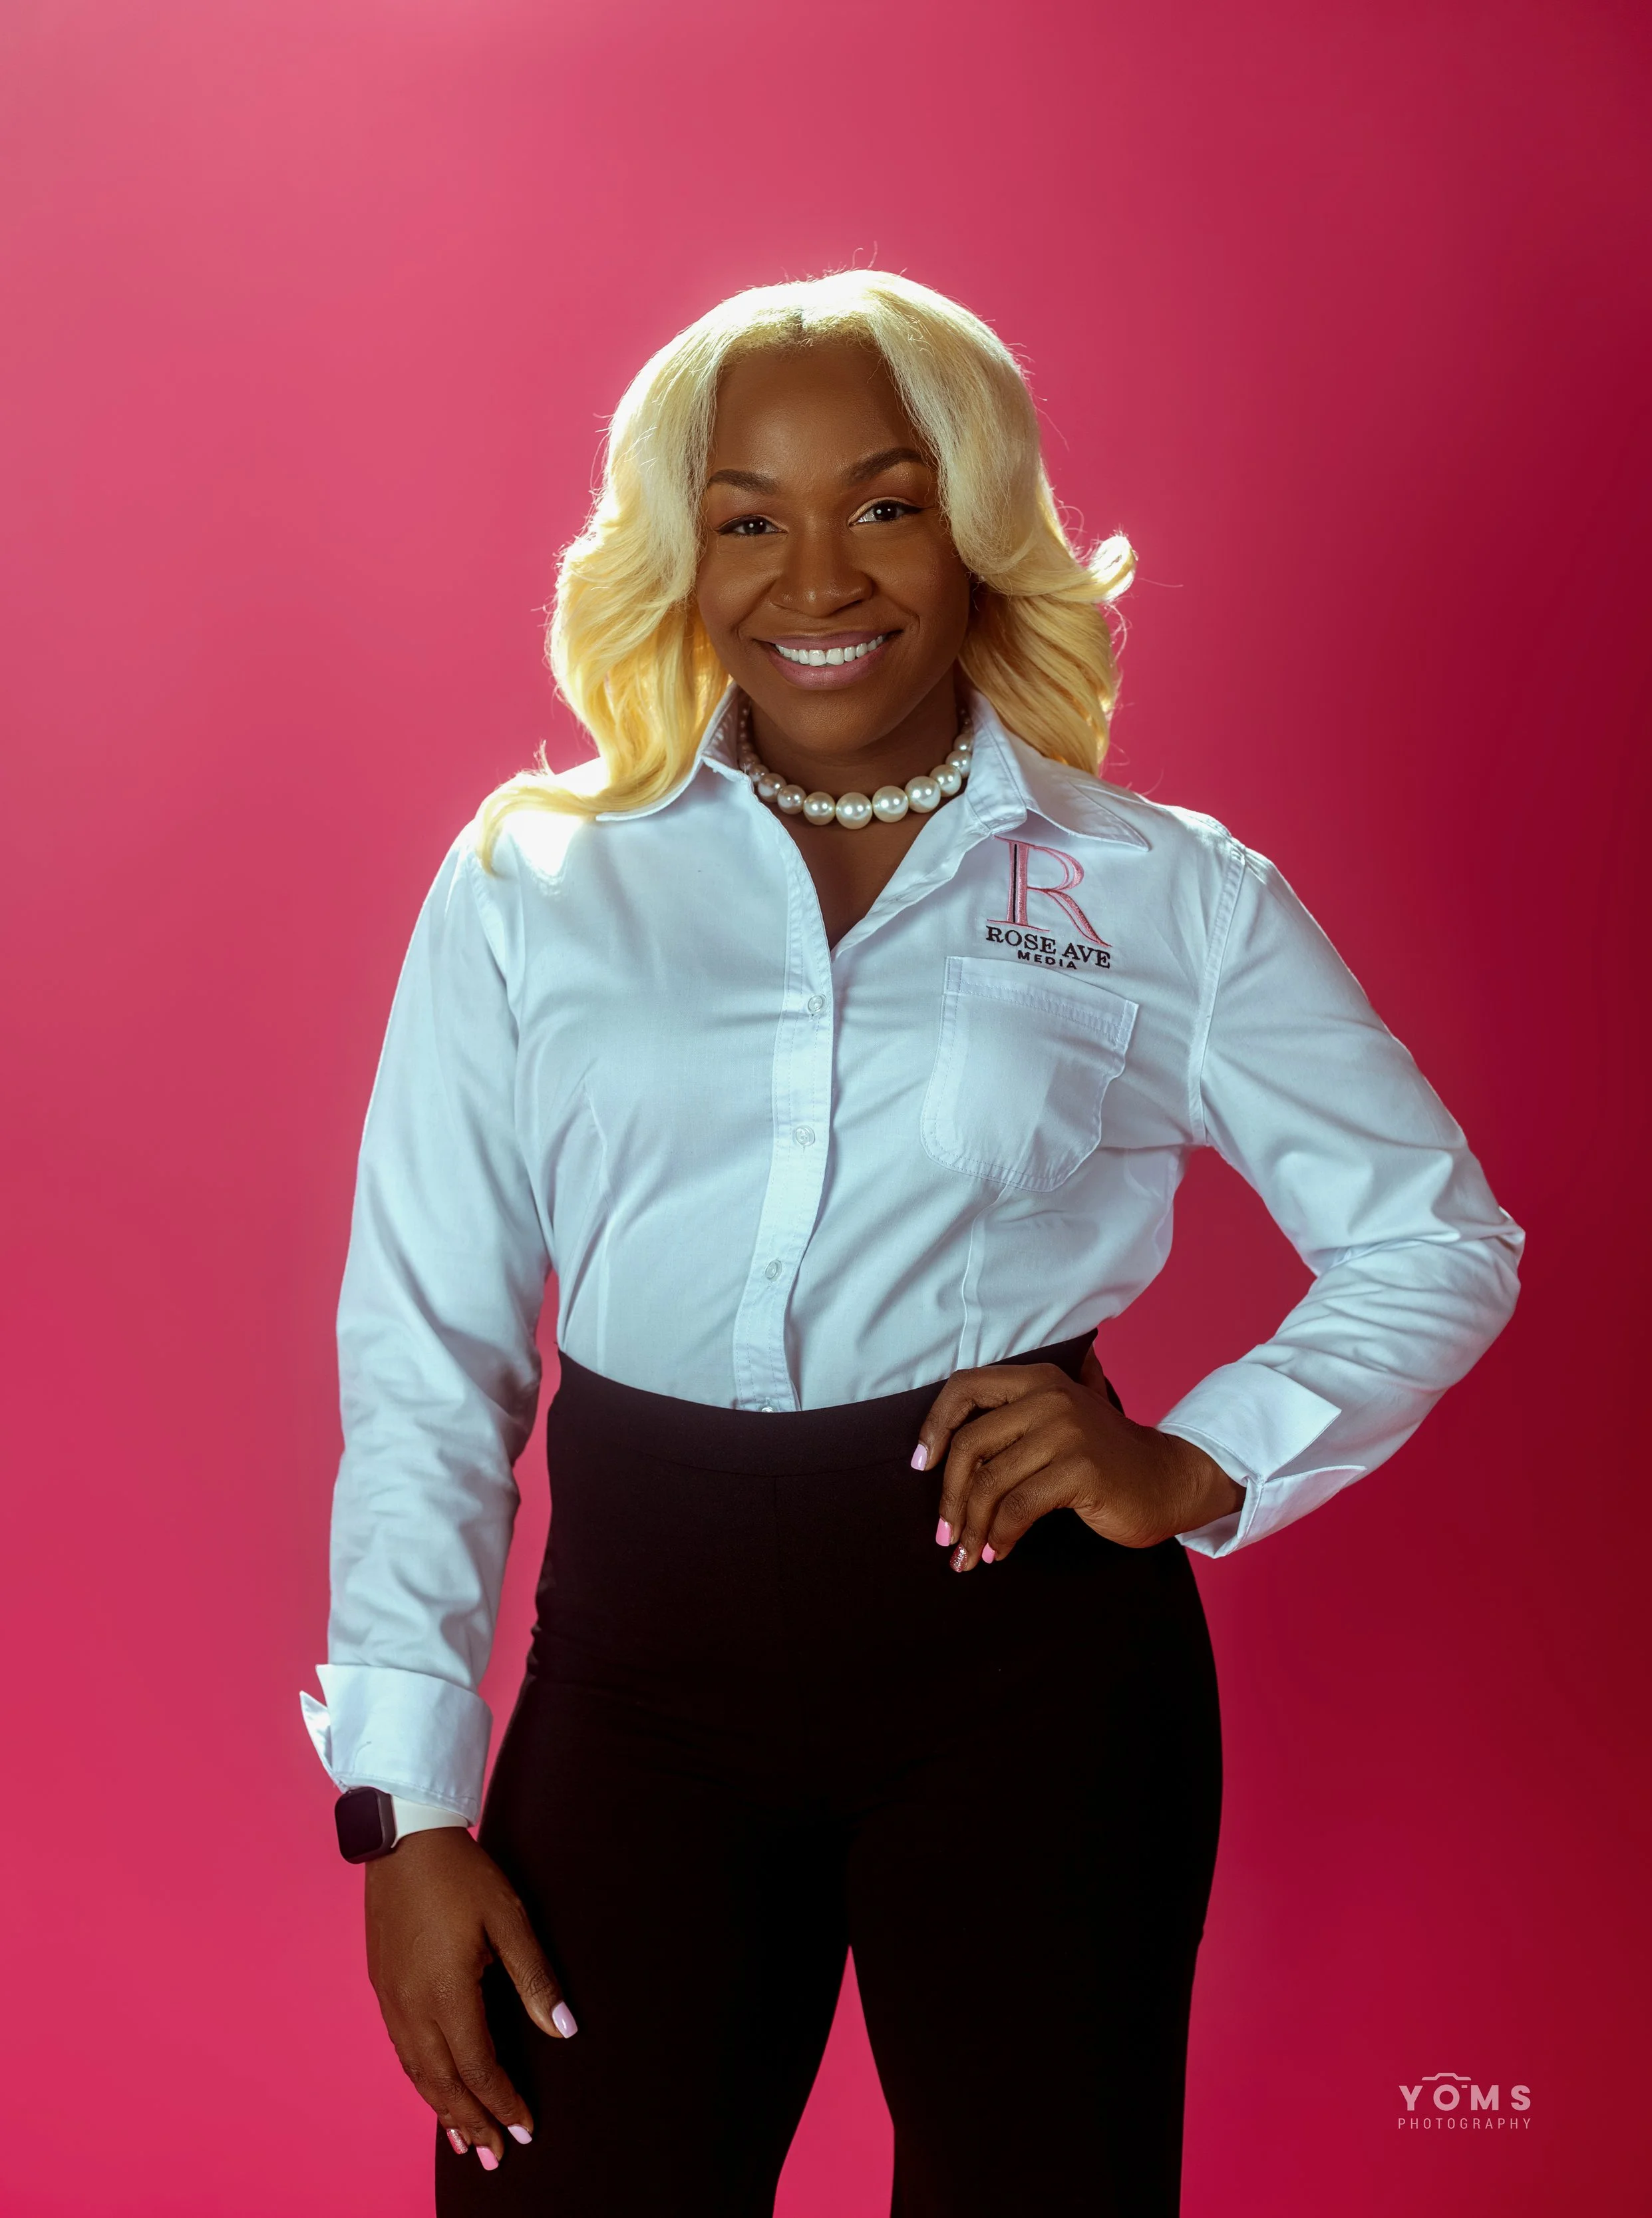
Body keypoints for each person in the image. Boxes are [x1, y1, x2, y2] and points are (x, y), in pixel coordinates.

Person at [299, 270, 1522, 2217]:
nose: (818, 575)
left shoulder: (1162, 894)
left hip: (1027, 1673)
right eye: (744, 516)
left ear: (973, 526)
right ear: (675, 554)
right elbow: (427, 1348)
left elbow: (1436, 1234)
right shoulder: (534, 877)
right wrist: (407, 1809)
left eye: (882, 502)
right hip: (637, 1679)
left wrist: (1201, 1451)